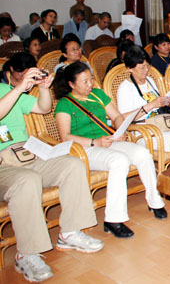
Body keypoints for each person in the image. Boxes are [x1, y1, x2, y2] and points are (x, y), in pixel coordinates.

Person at [0, 62, 104, 283]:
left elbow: (43, 108)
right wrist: (19, 88)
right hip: (3, 165)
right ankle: (26, 254)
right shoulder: (12, 91)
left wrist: (45, 88)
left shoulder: (7, 90)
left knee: (72, 165)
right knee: (27, 181)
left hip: (26, 153)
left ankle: (69, 233)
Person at [54, 62, 167, 239]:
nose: (90, 84)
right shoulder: (64, 105)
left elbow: (116, 116)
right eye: (84, 81)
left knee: (142, 153)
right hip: (83, 149)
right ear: (71, 84)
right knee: (119, 161)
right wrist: (95, 142)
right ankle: (113, 219)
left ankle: (155, 201)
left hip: (107, 140)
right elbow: (65, 137)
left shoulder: (97, 95)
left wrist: (119, 129)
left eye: (90, 79)